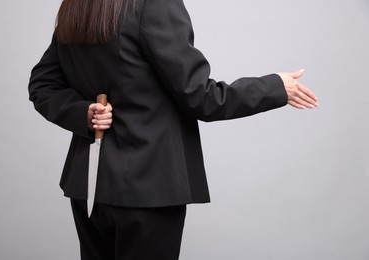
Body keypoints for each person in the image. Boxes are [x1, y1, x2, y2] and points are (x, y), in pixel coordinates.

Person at [28, 0, 318, 259]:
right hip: (148, 188)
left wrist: (83, 113)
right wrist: (275, 87)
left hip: (87, 186)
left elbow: (42, 85)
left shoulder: (77, 6)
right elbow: (202, 98)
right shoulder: (154, 4)